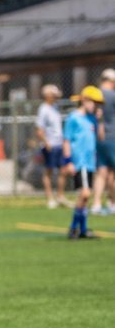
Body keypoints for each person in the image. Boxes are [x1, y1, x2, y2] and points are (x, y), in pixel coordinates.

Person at [63, 86, 100, 239]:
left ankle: (83, 229)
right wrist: (68, 161)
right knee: (85, 194)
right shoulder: (73, 118)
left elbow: (98, 138)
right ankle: (73, 228)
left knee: (86, 197)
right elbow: (66, 140)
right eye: (93, 102)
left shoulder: (92, 119)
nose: (95, 105)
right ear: (84, 100)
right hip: (80, 162)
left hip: (90, 162)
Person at [35, 84, 67, 209]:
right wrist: (46, 142)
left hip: (59, 143)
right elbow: (39, 129)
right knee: (48, 171)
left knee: (63, 170)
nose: (56, 97)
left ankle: (60, 196)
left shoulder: (55, 107)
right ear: (47, 96)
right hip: (50, 144)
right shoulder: (43, 109)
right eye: (53, 95)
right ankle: (50, 199)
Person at [93, 69, 115, 215]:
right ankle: (113, 203)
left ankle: (96, 204)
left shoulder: (95, 94)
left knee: (101, 172)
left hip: (98, 139)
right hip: (112, 137)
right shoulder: (112, 95)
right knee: (112, 173)